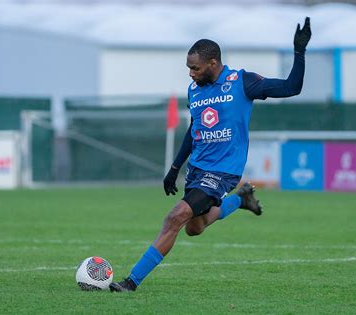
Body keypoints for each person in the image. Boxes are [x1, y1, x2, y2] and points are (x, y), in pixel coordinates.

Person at [110, 17, 312, 292]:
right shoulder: (194, 90)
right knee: (196, 226)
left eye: (195, 68)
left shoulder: (242, 82)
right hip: (198, 169)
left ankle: (131, 282)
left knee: (175, 217)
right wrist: (174, 168)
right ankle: (241, 200)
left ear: (213, 63)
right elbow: (194, 129)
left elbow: (292, 87)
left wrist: (299, 52)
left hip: (224, 170)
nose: (190, 73)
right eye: (188, 68)